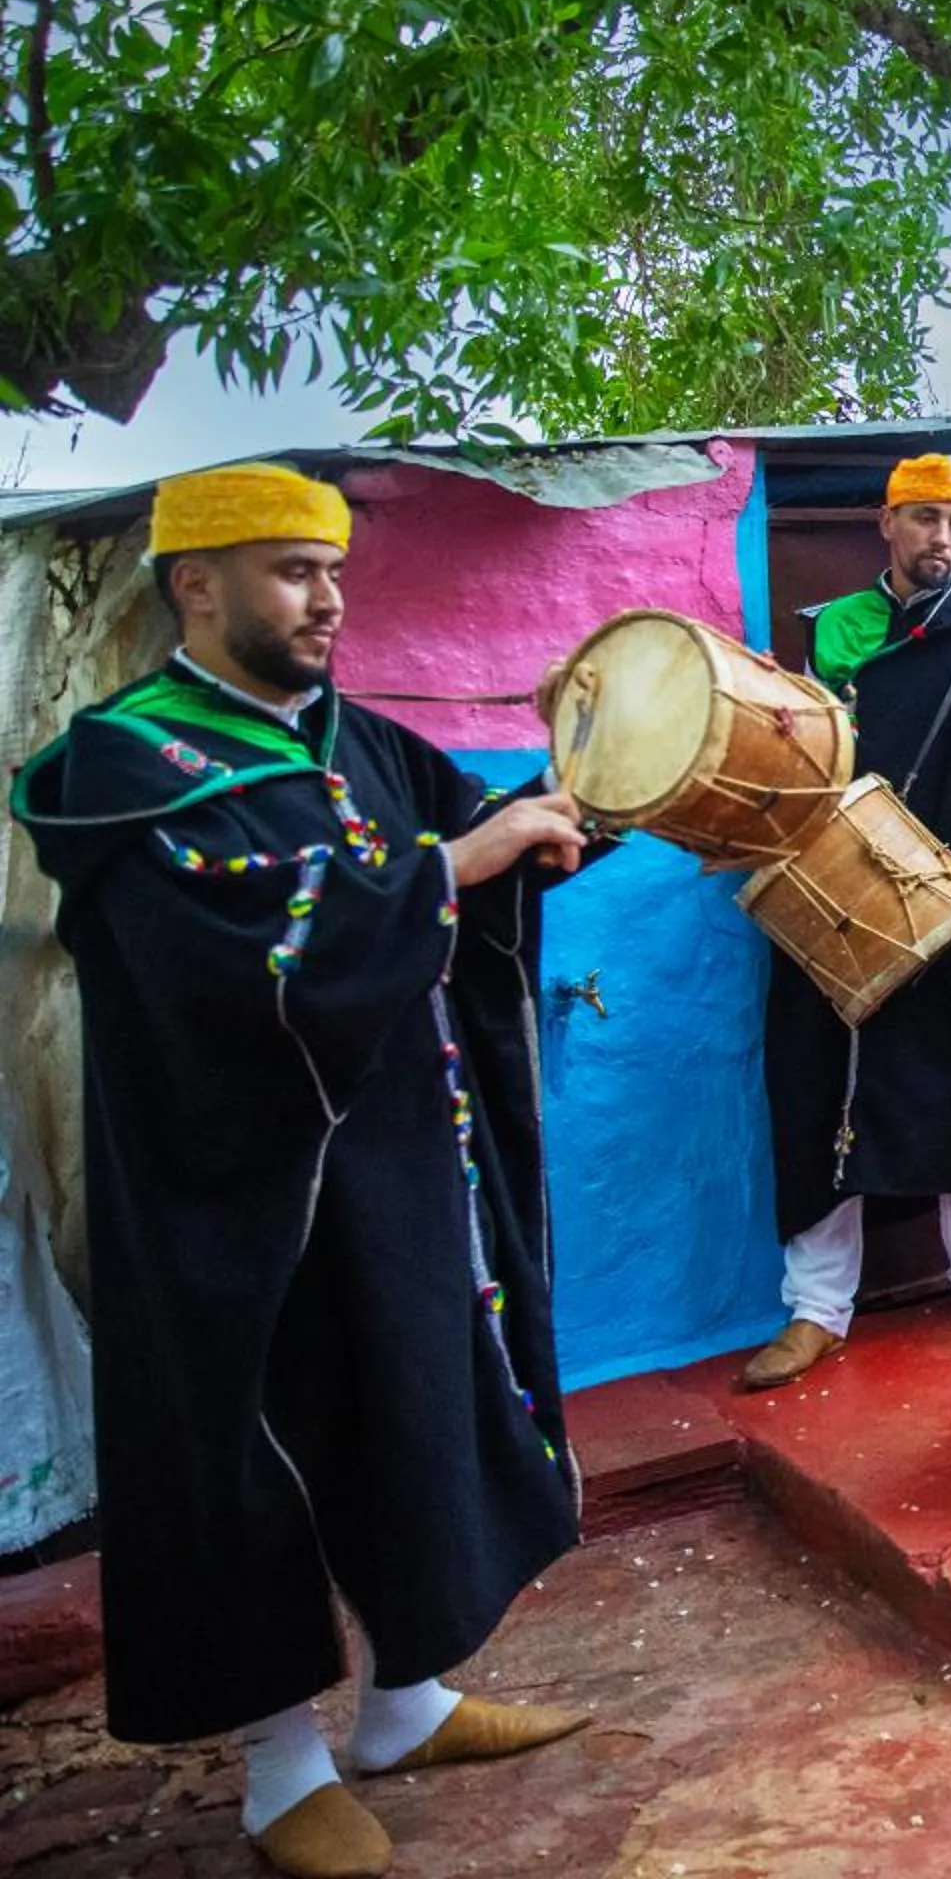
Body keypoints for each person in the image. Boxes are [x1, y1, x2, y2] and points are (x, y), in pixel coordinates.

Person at [10, 464, 597, 1878]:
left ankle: (404, 1707)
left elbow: (487, 847)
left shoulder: (365, 741)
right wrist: (465, 861)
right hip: (233, 1200)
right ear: (193, 587)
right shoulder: (128, 763)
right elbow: (255, 947)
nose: (326, 599)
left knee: (410, 1406)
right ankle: (280, 1775)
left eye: (333, 571)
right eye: (289, 571)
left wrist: (594, 800)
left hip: (390, 1176)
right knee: (245, 1454)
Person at [744, 453, 951, 1389]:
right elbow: (803, 759)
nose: (942, 542)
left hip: (945, 894)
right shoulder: (831, 631)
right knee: (814, 1082)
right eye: (924, 521)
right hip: (831, 890)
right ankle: (817, 1307)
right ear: (887, 524)